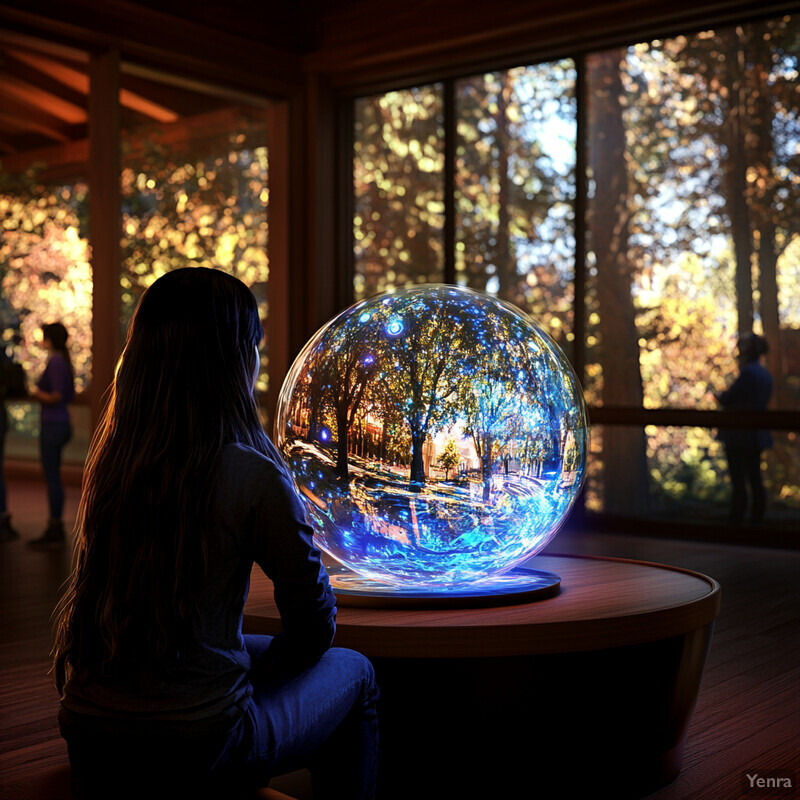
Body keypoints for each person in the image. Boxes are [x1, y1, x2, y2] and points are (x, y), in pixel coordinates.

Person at [52, 268, 379, 800]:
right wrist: (255, 675)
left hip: (89, 735)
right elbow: (316, 623)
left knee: (248, 654)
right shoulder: (249, 472)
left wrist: (249, 668)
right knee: (356, 671)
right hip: (199, 743)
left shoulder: (115, 462)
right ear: (236, 359)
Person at [716, 332, 773, 526]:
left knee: (740, 482)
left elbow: (728, 399)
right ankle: (756, 522)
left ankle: (737, 524)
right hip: (755, 436)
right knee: (755, 480)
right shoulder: (764, 374)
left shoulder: (748, 374)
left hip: (739, 437)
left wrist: (718, 395)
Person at [28, 322, 75, 547]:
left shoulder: (55, 361)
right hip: (62, 423)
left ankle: (55, 527)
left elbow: (56, 395)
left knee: (52, 477)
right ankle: (55, 526)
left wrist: (37, 393)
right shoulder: (63, 360)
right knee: (54, 476)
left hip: (53, 425)